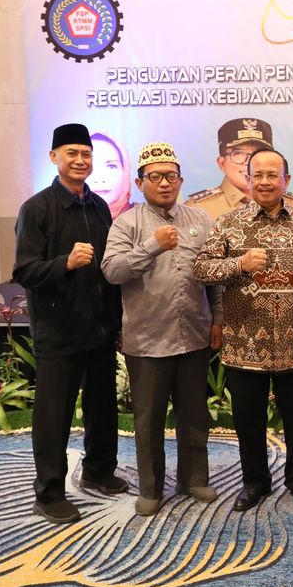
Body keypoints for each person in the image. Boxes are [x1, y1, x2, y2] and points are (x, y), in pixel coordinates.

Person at [194, 148, 293, 513]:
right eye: (258, 175)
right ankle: (255, 481)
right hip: (245, 344)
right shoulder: (227, 223)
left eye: (274, 175)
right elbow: (201, 270)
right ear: (248, 179)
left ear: (285, 180)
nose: (266, 182)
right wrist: (238, 263)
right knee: (247, 420)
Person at [13, 122, 126, 525]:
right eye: (72, 153)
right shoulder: (37, 209)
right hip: (58, 332)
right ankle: (48, 493)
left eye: (86, 154)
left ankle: (98, 471)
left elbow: (109, 271)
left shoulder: (98, 207)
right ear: (54, 158)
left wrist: (117, 321)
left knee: (102, 407)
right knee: (53, 417)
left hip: (99, 328)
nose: (80, 161)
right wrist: (65, 263)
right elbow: (24, 270)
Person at [101, 142, 223, 516]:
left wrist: (218, 319)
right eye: (155, 177)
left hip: (194, 336)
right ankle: (151, 488)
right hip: (148, 339)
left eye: (171, 176)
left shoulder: (201, 220)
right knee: (149, 420)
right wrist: (151, 247)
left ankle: (195, 478)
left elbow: (214, 277)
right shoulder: (127, 223)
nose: (164, 183)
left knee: (194, 414)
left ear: (181, 180)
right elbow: (112, 271)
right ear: (140, 183)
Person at [185, 118, 293, 219]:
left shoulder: (291, 205)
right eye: (238, 153)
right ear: (222, 163)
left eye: (257, 154)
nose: (249, 162)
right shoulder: (197, 209)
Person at [89, 132, 133, 219]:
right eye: (90, 167)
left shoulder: (146, 217)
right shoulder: (64, 218)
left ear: (125, 172)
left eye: (111, 166)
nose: (100, 179)